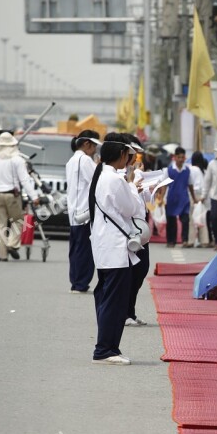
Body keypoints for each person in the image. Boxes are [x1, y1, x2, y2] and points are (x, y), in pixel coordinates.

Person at [88, 135, 144, 365]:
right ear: (121, 156)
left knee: (107, 298)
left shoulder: (102, 175)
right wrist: (132, 186)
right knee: (114, 301)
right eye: (127, 155)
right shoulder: (115, 179)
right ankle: (105, 350)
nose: (129, 160)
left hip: (106, 247)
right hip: (115, 249)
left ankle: (108, 347)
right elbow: (131, 208)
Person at [0, 132, 40, 262]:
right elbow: (25, 180)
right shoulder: (17, 160)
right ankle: (12, 244)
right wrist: (34, 196)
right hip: (12, 195)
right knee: (17, 220)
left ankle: (3, 255)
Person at [65, 130, 101, 291]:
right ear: (87, 144)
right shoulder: (84, 160)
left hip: (75, 210)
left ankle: (77, 281)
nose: (95, 150)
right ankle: (80, 282)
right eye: (94, 146)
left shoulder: (72, 160)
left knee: (76, 248)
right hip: (83, 212)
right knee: (83, 250)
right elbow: (96, 181)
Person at [123, 135, 151, 327]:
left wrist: (150, 186)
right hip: (129, 228)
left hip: (141, 228)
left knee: (141, 269)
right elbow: (126, 203)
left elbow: (145, 198)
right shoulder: (118, 175)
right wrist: (132, 184)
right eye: (133, 153)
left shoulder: (137, 171)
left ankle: (130, 312)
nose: (136, 157)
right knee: (130, 273)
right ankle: (125, 313)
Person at [164, 147, 195, 248]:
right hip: (172, 198)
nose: (181, 159)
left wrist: (194, 198)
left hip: (184, 199)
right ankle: (171, 241)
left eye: (183, 157)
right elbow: (164, 185)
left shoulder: (187, 171)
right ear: (175, 157)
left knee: (185, 220)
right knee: (171, 221)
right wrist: (161, 198)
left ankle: (184, 240)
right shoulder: (168, 170)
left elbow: (190, 185)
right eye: (179, 157)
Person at [187, 151, 209, 248]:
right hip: (200, 195)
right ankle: (204, 240)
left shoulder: (191, 169)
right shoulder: (201, 171)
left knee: (191, 219)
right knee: (201, 218)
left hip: (192, 194)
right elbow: (203, 184)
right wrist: (203, 197)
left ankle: (191, 240)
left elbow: (189, 183)